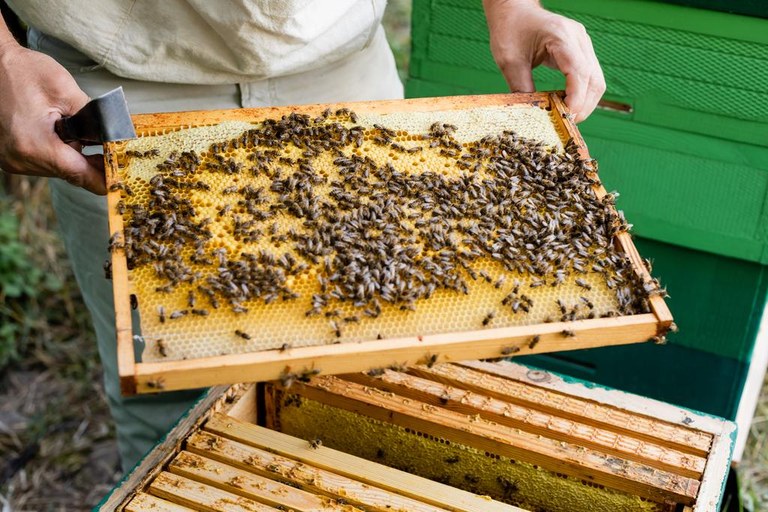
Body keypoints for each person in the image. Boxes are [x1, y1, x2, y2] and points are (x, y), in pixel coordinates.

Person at [0, 0, 605, 473]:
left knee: (388, 382)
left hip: (344, 76)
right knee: (173, 399)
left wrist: (512, 7)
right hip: (120, 92)